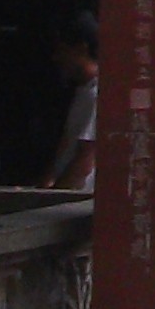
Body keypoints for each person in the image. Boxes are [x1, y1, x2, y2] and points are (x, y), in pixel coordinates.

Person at [47, 19, 101, 191]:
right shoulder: (82, 91)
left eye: (62, 50)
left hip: (76, 202)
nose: (57, 58)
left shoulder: (96, 94)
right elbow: (66, 145)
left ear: (81, 49)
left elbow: (85, 159)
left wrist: (54, 199)